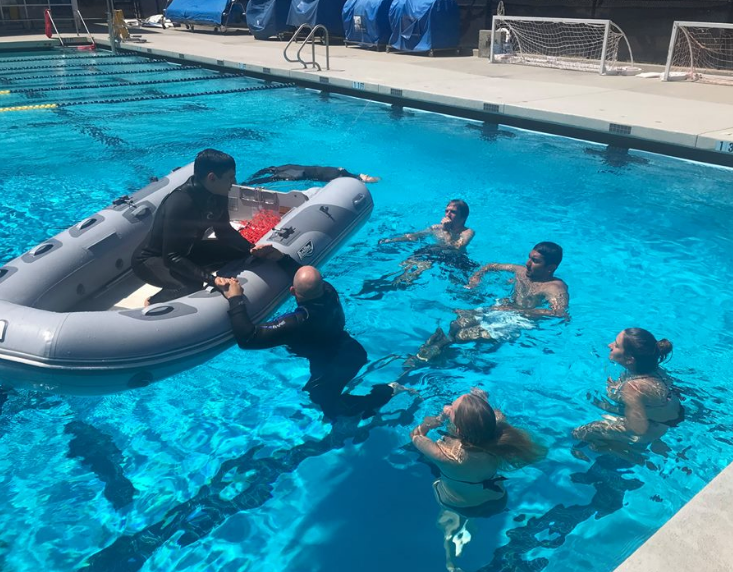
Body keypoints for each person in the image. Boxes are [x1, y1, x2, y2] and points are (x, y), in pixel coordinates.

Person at [222, 264, 406, 420]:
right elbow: (310, 280)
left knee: (327, 407)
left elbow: (247, 339)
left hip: (336, 362)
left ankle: (388, 392)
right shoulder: (328, 290)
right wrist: (279, 258)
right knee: (320, 392)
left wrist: (235, 298)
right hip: (350, 350)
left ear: (292, 291)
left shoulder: (297, 322)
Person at [411, 388, 546, 572]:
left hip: (459, 504)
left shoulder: (445, 455)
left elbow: (416, 436)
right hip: (498, 499)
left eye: (452, 408)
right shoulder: (498, 436)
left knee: (449, 524)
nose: (449, 407)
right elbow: (496, 416)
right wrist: (482, 402)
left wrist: (439, 418)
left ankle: (452, 562)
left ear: (458, 429)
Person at [132, 149, 281, 306]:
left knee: (238, 253)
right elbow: (171, 257)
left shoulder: (219, 193)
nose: (235, 182)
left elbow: (224, 231)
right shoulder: (181, 202)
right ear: (212, 178)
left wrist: (251, 248)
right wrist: (213, 280)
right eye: (230, 177)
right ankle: (153, 302)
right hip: (153, 259)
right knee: (191, 285)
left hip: (189, 251)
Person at [413, 242, 568, 362]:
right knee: (454, 324)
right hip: (502, 307)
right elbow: (491, 266)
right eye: (529, 257)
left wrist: (516, 311)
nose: (528, 263)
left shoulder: (554, 287)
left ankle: (434, 353)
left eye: (535, 261)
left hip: (518, 320)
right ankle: (434, 350)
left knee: (462, 335)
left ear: (550, 267)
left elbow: (558, 313)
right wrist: (476, 278)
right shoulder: (521, 271)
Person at [573, 328, 683, 454]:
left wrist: (611, 407)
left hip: (650, 429)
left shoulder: (632, 388)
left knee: (579, 433)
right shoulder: (654, 369)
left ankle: (629, 454)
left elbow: (638, 428)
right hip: (669, 418)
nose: (610, 345)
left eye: (616, 345)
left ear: (630, 359)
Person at [358, 200, 475, 298]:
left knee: (458, 290)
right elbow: (414, 236)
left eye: (453, 212)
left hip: (454, 260)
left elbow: (456, 247)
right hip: (433, 252)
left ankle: (395, 285)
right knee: (409, 264)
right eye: (446, 210)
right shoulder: (436, 227)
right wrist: (393, 240)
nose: (447, 214)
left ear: (463, 217)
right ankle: (388, 284)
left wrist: (446, 230)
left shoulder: (467, 232)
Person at [245, 164, 379, 185]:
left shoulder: (341, 171)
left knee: (271, 170)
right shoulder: (340, 178)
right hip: (301, 173)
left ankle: (248, 181)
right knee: (271, 178)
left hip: (302, 169)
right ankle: (247, 183)